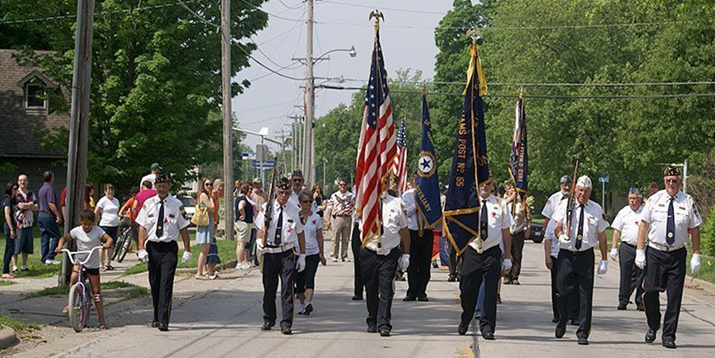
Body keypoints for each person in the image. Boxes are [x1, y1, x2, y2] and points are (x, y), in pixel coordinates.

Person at [636, 165, 702, 349]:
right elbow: (643, 225)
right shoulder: (654, 200)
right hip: (655, 252)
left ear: (680, 181)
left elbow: (695, 229)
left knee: (674, 297)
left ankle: (668, 335)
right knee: (649, 292)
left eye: (674, 181)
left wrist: (696, 254)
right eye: (668, 181)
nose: (671, 184)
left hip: (676, 254)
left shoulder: (688, 201)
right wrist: (640, 250)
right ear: (664, 181)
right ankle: (653, 324)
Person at [553, 175, 609, 346]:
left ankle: (583, 331)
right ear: (575, 189)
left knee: (586, 294)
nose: (582, 194)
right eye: (580, 190)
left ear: (590, 192)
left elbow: (601, 235)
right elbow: (557, 226)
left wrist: (604, 259)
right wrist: (560, 235)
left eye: (586, 191)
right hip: (567, 254)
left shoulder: (596, 209)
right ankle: (563, 319)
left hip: (585, 255)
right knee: (562, 291)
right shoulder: (566, 205)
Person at [136, 172, 192, 331]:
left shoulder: (177, 204)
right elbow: (142, 227)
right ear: (155, 186)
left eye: (164, 186)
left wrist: (187, 250)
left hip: (169, 248)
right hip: (152, 247)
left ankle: (164, 319)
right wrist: (140, 248)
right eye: (158, 186)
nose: (161, 188)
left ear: (169, 186)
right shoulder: (148, 204)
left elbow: (184, 228)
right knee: (154, 283)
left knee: (166, 283)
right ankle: (156, 315)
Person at [457, 179, 513, 340]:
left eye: (488, 184)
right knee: (467, 288)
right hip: (472, 249)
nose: (484, 186)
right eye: (481, 183)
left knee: (490, 291)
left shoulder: (500, 204)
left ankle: (488, 327)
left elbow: (506, 232)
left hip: (492, 251)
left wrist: (507, 257)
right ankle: (466, 317)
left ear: (492, 186)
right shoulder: (469, 202)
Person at [255, 177, 306, 335]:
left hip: (286, 253)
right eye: (281, 192)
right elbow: (260, 227)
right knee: (269, 288)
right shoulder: (266, 208)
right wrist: (258, 240)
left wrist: (302, 255)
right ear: (276, 191)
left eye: (287, 192)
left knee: (287, 288)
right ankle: (269, 318)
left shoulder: (294, 209)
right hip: (270, 252)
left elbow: (300, 233)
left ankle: (286, 322)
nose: (284, 195)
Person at [360, 176, 410, 337]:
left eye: (385, 182)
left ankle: (384, 323)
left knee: (387, 289)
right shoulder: (365, 203)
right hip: (370, 251)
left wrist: (406, 254)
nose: (382, 185)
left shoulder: (396, 203)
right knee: (371, 288)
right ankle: (372, 319)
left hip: (389, 252)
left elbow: (404, 230)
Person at [54, 210, 113, 329]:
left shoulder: (97, 231)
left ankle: (101, 319)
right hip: (79, 260)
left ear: (93, 223)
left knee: (96, 292)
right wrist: (60, 246)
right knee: (74, 278)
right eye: (84, 224)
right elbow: (64, 239)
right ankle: (71, 302)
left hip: (92, 262)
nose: (86, 226)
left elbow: (109, 239)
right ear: (81, 222)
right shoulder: (76, 231)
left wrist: (107, 244)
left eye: (89, 224)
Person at [542, 174, 579, 325]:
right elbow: (548, 237)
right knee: (558, 286)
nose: (566, 186)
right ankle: (558, 313)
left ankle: (573, 314)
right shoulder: (554, 203)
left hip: (572, 253)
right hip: (557, 255)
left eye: (569, 184)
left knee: (574, 287)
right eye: (563, 184)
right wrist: (548, 257)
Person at [610, 187, 645, 311]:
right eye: (630, 198)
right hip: (627, 247)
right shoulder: (623, 212)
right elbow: (616, 231)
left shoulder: (645, 212)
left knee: (641, 275)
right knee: (625, 274)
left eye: (635, 199)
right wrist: (613, 247)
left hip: (641, 248)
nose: (632, 201)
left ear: (639, 199)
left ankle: (641, 301)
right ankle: (623, 300)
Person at [402, 173, 433, 302]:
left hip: (426, 231)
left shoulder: (430, 194)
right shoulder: (407, 195)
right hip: (412, 231)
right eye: (416, 179)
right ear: (412, 180)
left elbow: (434, 212)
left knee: (425, 263)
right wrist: (417, 204)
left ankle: (422, 291)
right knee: (412, 264)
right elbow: (405, 213)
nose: (418, 182)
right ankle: (412, 291)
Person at [296, 191, 327, 315]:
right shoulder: (295, 217)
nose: (308, 204)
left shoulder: (316, 218)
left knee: (310, 278)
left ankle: (308, 303)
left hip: (312, 253)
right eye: (305, 201)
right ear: (300, 203)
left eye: (310, 201)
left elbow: (320, 236)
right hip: (298, 252)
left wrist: (322, 254)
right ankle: (302, 303)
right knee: (299, 281)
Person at [503, 181, 530, 285]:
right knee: (507, 254)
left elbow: (528, 217)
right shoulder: (503, 201)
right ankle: (506, 275)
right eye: (510, 189)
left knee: (517, 254)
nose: (512, 191)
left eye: (514, 189)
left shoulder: (522, 202)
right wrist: (510, 199)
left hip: (518, 231)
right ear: (506, 190)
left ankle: (515, 276)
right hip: (507, 231)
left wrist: (528, 229)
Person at [37, 171, 63, 265]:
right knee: (57, 236)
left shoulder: (42, 188)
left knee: (45, 237)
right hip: (48, 215)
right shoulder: (49, 189)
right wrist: (57, 214)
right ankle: (50, 256)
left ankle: (44, 258)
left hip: (41, 214)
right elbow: (51, 203)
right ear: (51, 178)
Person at [14, 174, 37, 272]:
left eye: (24, 180)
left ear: (27, 182)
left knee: (27, 246)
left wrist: (26, 205)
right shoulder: (16, 194)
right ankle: (14, 266)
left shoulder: (31, 193)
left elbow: (36, 207)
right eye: (20, 180)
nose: (22, 182)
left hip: (29, 222)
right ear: (18, 182)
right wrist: (30, 204)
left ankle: (24, 265)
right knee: (16, 245)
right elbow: (20, 206)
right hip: (19, 223)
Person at [95, 184, 120, 271]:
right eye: (108, 190)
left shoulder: (116, 201)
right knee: (103, 245)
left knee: (111, 245)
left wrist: (118, 226)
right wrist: (95, 222)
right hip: (104, 225)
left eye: (112, 190)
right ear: (105, 191)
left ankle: (108, 263)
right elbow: (96, 211)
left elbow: (117, 213)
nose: (110, 191)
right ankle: (100, 264)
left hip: (114, 225)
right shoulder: (102, 201)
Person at [329, 179, 355, 262]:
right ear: (338, 186)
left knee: (346, 238)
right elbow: (330, 208)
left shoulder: (351, 196)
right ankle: (334, 255)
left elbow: (356, 206)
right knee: (335, 237)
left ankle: (344, 255)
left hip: (347, 217)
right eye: (341, 185)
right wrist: (328, 219)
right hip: (337, 217)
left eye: (344, 185)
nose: (342, 186)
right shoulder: (334, 195)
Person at [195, 178, 215, 279]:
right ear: (203, 185)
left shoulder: (205, 195)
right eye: (207, 184)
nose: (209, 186)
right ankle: (199, 272)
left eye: (211, 184)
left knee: (206, 249)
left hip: (208, 222)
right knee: (205, 248)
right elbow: (212, 208)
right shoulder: (203, 195)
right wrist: (211, 197)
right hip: (205, 223)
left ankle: (203, 270)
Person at [205, 179, 223, 277]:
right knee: (211, 246)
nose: (221, 189)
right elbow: (212, 208)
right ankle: (208, 271)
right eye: (219, 186)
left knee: (210, 245)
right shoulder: (213, 194)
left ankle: (208, 270)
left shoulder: (215, 196)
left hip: (214, 221)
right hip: (211, 222)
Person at [235, 183, 254, 269]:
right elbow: (240, 207)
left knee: (240, 243)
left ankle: (240, 261)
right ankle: (240, 262)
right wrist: (244, 214)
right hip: (244, 223)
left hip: (239, 223)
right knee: (242, 244)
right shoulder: (243, 199)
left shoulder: (238, 198)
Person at [2, 183, 19, 279]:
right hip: (9, 226)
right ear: (10, 189)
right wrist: (12, 229)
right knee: (10, 248)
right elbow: (7, 214)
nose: (16, 191)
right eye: (15, 189)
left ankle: (6, 270)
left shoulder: (13, 200)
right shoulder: (7, 200)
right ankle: (5, 271)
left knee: (10, 248)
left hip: (13, 225)